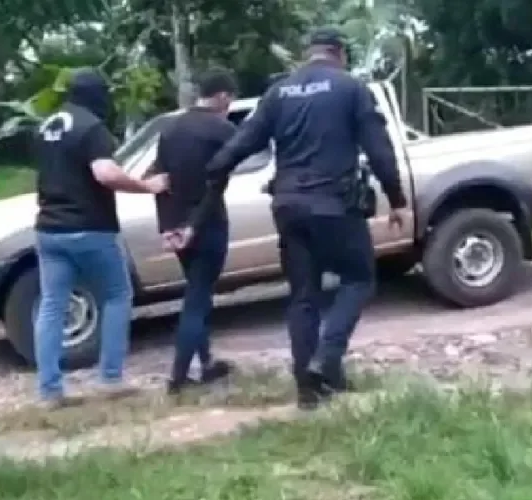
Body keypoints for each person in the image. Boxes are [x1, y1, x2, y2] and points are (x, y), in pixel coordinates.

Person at [171, 28, 408, 410]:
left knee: (303, 296)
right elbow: (379, 150)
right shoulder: (350, 88)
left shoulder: (278, 93)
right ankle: (326, 359)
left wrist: (210, 172)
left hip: (288, 207)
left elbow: (240, 143)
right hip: (335, 205)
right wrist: (396, 199)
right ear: (340, 54)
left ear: (308, 53)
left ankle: (308, 391)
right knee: (359, 278)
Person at [33, 68, 169, 409]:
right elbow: (105, 173)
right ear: (97, 94)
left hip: (48, 228)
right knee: (116, 295)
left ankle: (50, 390)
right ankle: (111, 378)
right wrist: (146, 186)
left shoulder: (46, 125)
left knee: (52, 306)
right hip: (89, 227)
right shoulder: (91, 128)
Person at [150, 69, 239, 394]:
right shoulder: (223, 129)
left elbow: (161, 181)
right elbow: (216, 186)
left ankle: (206, 364)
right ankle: (177, 377)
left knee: (197, 291)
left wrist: (169, 228)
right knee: (198, 298)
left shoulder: (169, 126)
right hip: (208, 223)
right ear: (223, 97)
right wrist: (193, 226)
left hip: (177, 225)